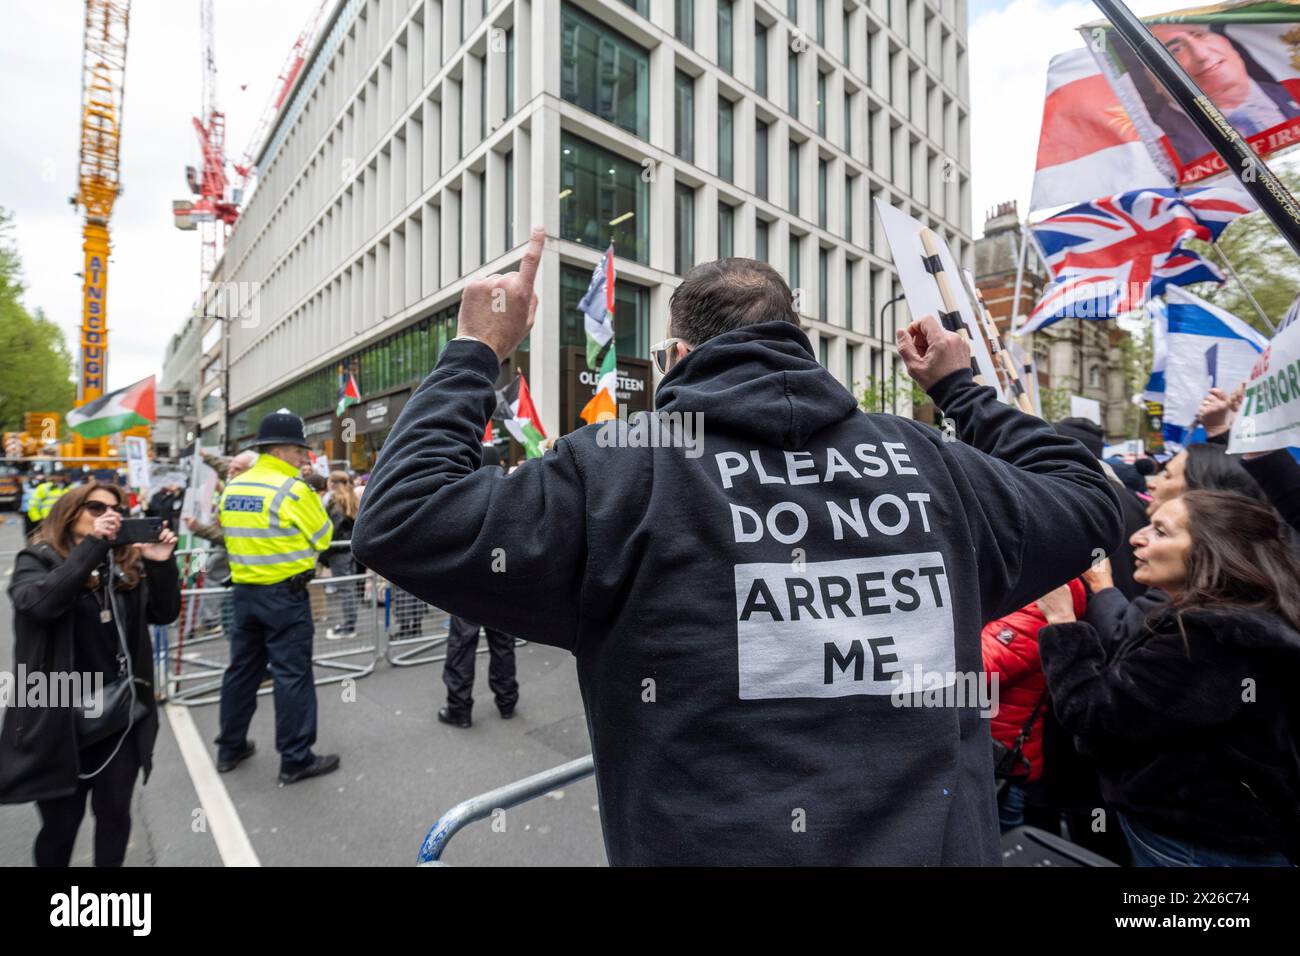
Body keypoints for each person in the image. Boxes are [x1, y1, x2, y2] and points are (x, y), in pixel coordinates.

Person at [352, 231, 1124, 865]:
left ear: (677, 358)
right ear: (803, 345)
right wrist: (961, 391)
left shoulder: (619, 471)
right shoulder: (931, 465)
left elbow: (404, 516)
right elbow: (1092, 501)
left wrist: (476, 350)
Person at [1038, 490, 1300, 867]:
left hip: (1195, 841)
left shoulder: (1208, 639)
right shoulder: (1239, 614)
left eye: (1161, 531)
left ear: (1211, 550)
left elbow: (1093, 714)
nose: (1137, 537)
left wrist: (1061, 622)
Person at [0, 481, 180, 866]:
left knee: (115, 815)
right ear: (69, 513)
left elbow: (163, 614)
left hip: (117, 715)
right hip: (58, 715)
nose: (109, 515)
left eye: (115, 509)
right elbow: (41, 604)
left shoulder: (121, 565)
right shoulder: (37, 560)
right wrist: (94, 546)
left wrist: (161, 562)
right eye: (96, 508)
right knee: (61, 827)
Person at [213, 411, 340, 785]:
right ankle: (295, 759)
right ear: (283, 451)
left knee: (241, 673)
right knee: (292, 676)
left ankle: (229, 748)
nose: (305, 458)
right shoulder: (293, 489)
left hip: (244, 595)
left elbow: (227, 530)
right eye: (301, 451)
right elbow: (322, 538)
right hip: (285, 597)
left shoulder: (234, 487)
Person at [981, 579, 1086, 834]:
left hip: (1002, 763)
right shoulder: (1024, 582)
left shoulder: (1050, 590)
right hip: (988, 754)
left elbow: (975, 673)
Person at [436, 445, 520, 728]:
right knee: (503, 645)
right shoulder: (515, 494)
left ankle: (459, 710)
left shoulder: (463, 495)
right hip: (502, 585)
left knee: (462, 645)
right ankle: (507, 701)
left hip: (469, 583)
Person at [322, 471, 362, 641]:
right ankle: (349, 623)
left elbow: (334, 529)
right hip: (347, 549)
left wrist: (325, 550)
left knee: (346, 589)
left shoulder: (337, 501)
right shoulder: (349, 497)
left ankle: (349, 626)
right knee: (348, 588)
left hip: (339, 551)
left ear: (332, 483)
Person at [26, 470, 68, 537]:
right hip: (46, 521)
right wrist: (38, 520)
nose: (58, 478)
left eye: (60, 476)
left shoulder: (68, 488)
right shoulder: (43, 487)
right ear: (51, 477)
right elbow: (33, 505)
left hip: (63, 521)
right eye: (56, 476)